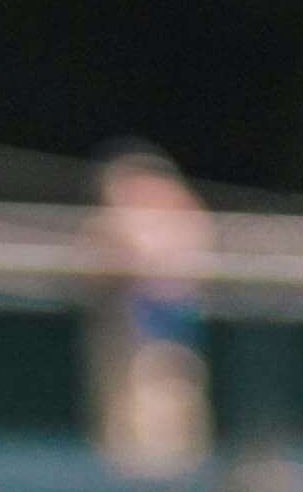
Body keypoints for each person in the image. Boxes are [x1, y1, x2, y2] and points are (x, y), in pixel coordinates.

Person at [89, 141, 212, 475]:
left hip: (172, 341)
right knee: (128, 436)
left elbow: (184, 259)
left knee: (173, 424)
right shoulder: (114, 225)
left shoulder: (184, 218)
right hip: (129, 339)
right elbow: (97, 260)